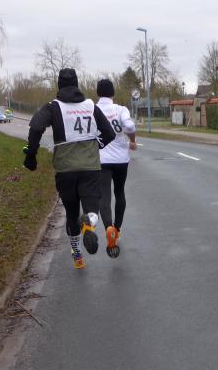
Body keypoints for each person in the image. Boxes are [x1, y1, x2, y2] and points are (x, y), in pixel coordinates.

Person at [23, 68, 115, 269]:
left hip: (65, 171)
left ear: (59, 85)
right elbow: (109, 133)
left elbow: (36, 126)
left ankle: (77, 256)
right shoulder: (90, 106)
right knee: (92, 209)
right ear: (77, 83)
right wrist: (96, 145)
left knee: (72, 214)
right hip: (90, 168)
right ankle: (89, 225)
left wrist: (31, 154)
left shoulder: (53, 107)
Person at [96, 79, 137, 258]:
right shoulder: (120, 109)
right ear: (112, 93)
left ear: (98, 93)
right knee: (119, 192)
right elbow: (130, 126)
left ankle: (108, 228)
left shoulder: (93, 109)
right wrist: (132, 140)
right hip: (121, 159)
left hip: (101, 159)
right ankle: (117, 230)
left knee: (104, 196)